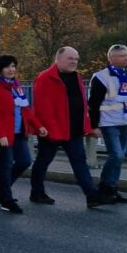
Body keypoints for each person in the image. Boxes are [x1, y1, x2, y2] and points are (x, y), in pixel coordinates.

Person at [31, 47, 112, 208]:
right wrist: (49, 130)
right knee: (43, 161)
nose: (74, 62)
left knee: (79, 162)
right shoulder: (45, 78)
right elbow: (43, 108)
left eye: (76, 59)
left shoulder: (76, 77)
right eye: (70, 58)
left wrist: (87, 126)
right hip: (52, 131)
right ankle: (37, 192)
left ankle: (91, 195)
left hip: (73, 130)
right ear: (58, 59)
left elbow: (82, 105)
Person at [0, 55, 41, 213]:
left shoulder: (16, 85)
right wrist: (1, 134)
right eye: (8, 67)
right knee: (6, 164)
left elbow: (25, 109)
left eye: (13, 66)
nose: (12, 70)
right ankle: (6, 200)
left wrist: (38, 126)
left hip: (18, 132)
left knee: (24, 161)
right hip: (2, 134)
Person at [89, 44, 127, 202]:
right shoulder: (101, 76)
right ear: (111, 58)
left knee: (122, 155)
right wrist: (94, 125)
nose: (125, 58)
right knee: (116, 154)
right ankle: (105, 187)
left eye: (126, 55)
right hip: (109, 121)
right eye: (121, 56)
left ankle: (111, 187)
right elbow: (94, 103)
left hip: (126, 120)